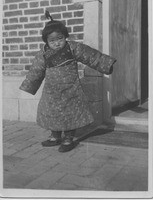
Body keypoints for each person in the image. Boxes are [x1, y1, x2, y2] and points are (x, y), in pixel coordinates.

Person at [19, 11, 116, 152]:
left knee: (71, 113)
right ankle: (55, 136)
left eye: (60, 38)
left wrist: (105, 64)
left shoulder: (72, 48)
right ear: (46, 41)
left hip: (72, 90)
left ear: (65, 37)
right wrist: (29, 85)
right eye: (52, 41)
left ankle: (68, 138)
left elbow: (89, 55)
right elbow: (36, 71)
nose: (57, 43)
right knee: (52, 113)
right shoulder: (43, 54)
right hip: (51, 92)